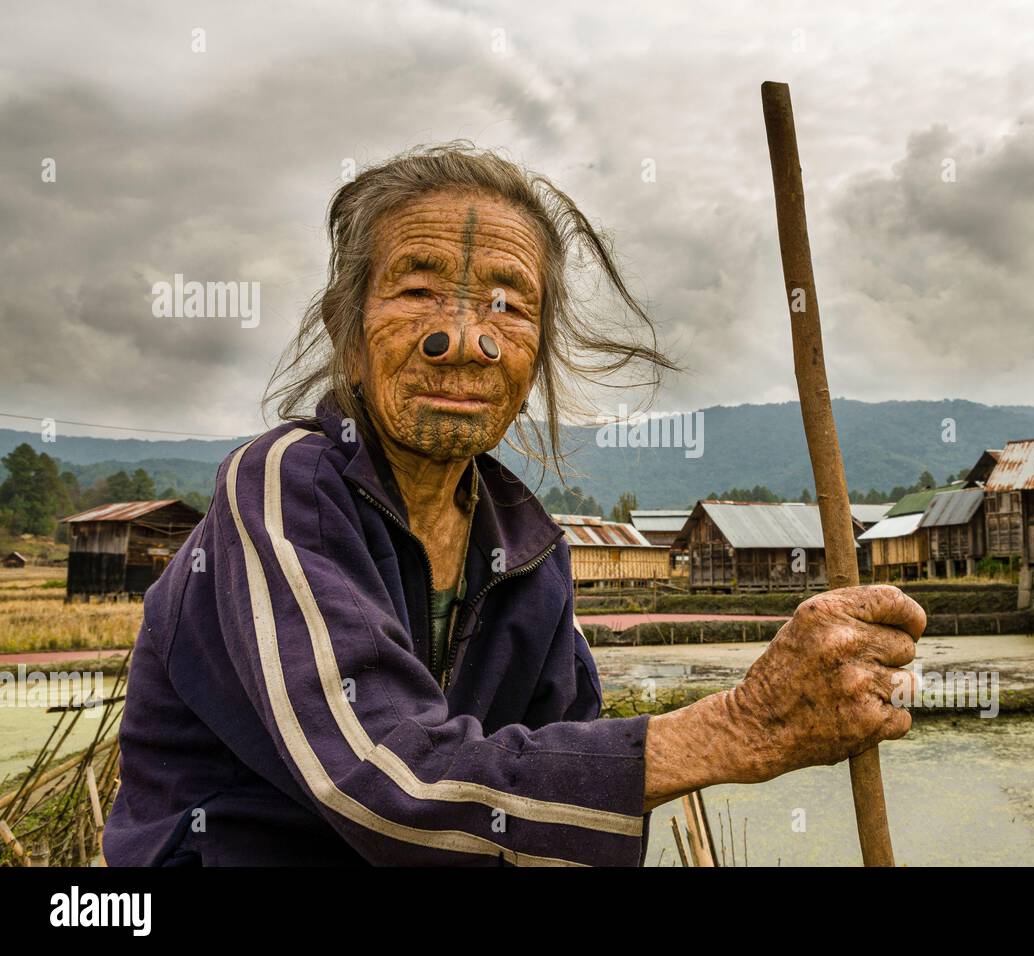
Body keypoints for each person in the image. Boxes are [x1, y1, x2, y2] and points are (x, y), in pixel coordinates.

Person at [104, 143, 924, 866]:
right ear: (349, 330)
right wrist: (741, 727)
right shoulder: (282, 487)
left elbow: (559, 807)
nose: (464, 339)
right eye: (418, 291)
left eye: (508, 304)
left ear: (535, 353)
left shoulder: (527, 547)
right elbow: (384, 782)